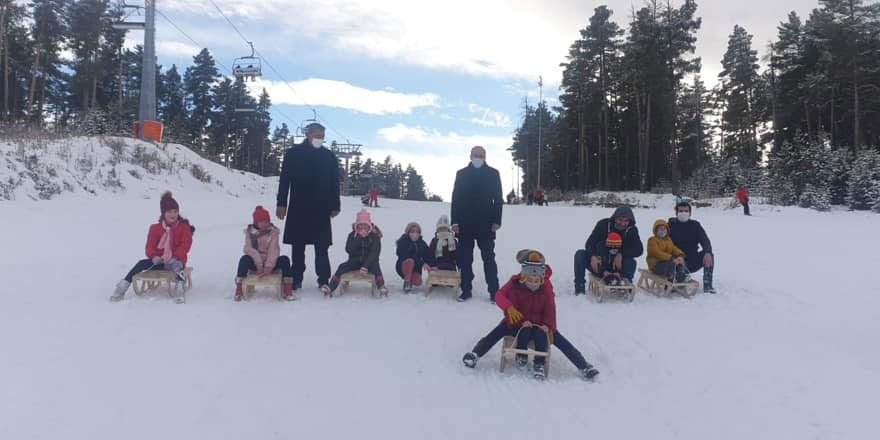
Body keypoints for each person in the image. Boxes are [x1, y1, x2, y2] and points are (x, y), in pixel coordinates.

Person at [462, 250, 599, 381]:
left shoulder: (546, 287)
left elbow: (551, 308)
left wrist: (548, 325)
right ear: (523, 277)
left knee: (562, 342)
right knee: (495, 333)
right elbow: (499, 295)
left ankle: (584, 366)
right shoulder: (514, 283)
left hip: (540, 326)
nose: (533, 283)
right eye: (530, 280)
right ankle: (475, 354)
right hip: (516, 322)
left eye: (536, 281)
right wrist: (509, 308)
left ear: (541, 279)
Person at [276, 122, 341, 292]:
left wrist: (336, 205)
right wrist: (281, 203)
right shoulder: (293, 153)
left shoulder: (328, 156)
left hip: (321, 208)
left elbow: (335, 183)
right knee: (298, 246)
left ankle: (323, 280)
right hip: (299, 206)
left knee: (322, 247)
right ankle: (296, 279)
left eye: (322, 137)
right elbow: (284, 180)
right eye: (318, 136)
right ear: (308, 135)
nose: (320, 139)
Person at [110, 192, 194, 303]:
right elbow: (150, 246)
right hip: (159, 261)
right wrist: (154, 256)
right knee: (141, 263)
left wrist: (175, 257)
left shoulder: (183, 228)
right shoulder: (155, 228)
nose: (173, 214)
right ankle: (123, 285)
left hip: (175, 260)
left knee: (178, 268)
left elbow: (185, 245)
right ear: (163, 213)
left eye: (175, 211)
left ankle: (179, 288)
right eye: (169, 212)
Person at [450, 146, 503, 302]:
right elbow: (456, 199)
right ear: (470, 156)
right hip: (465, 224)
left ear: (485, 157)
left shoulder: (493, 174)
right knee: (465, 259)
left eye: (481, 155)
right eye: (476, 155)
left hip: (486, 225)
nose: (478, 157)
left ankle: (494, 291)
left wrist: (497, 221)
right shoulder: (461, 174)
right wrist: (454, 221)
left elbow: (498, 199)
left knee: (489, 259)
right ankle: (466, 290)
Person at [574, 207, 643, 294]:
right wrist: (593, 256)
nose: (622, 223)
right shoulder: (603, 225)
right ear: (614, 218)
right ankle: (579, 287)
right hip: (600, 262)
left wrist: (621, 254)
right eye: (620, 220)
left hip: (617, 266)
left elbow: (639, 249)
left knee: (631, 262)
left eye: (626, 221)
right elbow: (589, 243)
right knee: (580, 254)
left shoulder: (632, 230)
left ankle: (624, 283)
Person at [321, 209, 388, 297]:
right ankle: (331, 287)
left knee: (376, 269)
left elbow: (375, 252)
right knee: (342, 267)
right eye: (361, 225)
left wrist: (366, 266)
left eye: (365, 225)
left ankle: (381, 286)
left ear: (369, 225)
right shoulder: (352, 235)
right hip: (355, 260)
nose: (363, 227)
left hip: (370, 261)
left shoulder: (374, 237)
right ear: (357, 225)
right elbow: (349, 249)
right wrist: (358, 238)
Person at [234, 206, 294, 301]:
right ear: (256, 222)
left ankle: (288, 288)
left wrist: (268, 266)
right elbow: (249, 249)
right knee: (244, 259)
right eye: (262, 221)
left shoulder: (273, 233)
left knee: (285, 260)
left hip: (271, 263)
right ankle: (239, 286)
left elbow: (273, 250)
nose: (265, 224)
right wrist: (258, 264)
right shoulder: (250, 234)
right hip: (255, 263)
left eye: (267, 221)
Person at [668, 202, 716, 293]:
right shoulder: (670, 225)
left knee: (709, 256)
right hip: (676, 259)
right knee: (676, 263)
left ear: (690, 213)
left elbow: (705, 240)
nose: (683, 213)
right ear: (676, 212)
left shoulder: (695, 225)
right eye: (681, 211)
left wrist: (707, 252)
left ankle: (708, 285)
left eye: (686, 211)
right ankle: (676, 279)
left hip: (692, 259)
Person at [395, 222, 434, 293]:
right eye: (412, 231)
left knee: (417, 282)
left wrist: (432, 265)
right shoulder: (402, 241)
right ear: (408, 232)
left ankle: (410, 280)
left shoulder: (422, 243)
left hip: (416, 267)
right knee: (410, 261)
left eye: (417, 232)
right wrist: (422, 263)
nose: (415, 234)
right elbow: (405, 255)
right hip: (403, 266)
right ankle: (407, 282)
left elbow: (428, 255)